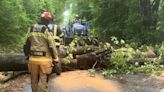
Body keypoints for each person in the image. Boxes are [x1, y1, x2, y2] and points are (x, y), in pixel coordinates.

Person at [23, 12, 59, 92]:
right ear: (47, 21)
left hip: (32, 60)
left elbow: (26, 44)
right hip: (44, 61)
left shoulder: (31, 28)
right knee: (43, 81)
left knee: (34, 80)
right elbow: (51, 46)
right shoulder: (45, 30)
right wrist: (55, 58)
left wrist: (27, 56)